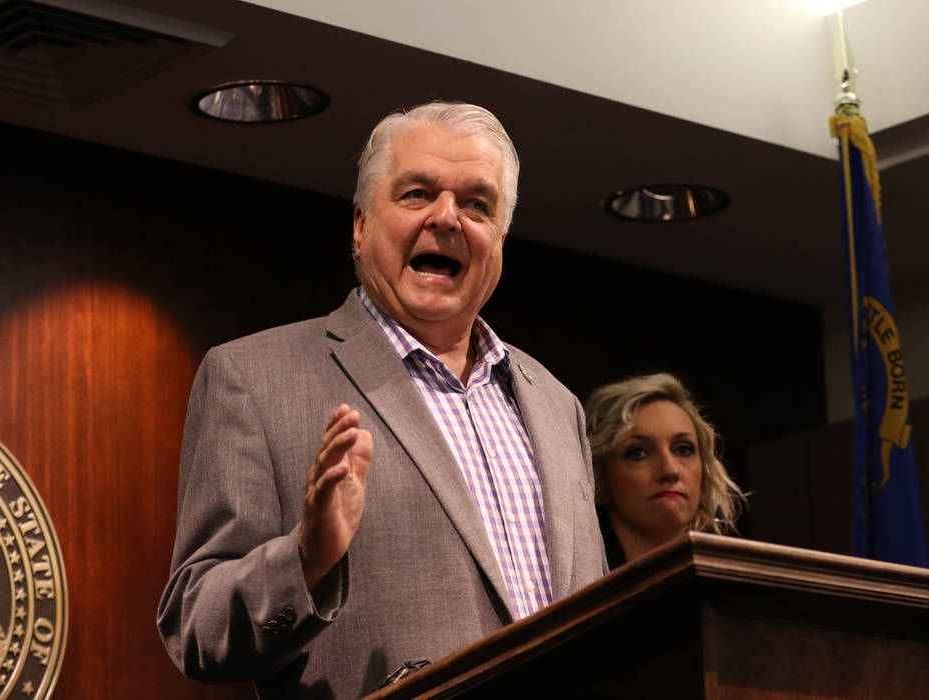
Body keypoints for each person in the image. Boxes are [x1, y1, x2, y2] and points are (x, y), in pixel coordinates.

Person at [157, 102, 606, 699]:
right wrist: (305, 559)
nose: (448, 218)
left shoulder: (557, 404)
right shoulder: (253, 377)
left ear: (499, 240)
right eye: (417, 194)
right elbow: (196, 626)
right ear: (361, 225)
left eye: (477, 204)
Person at [585, 373, 745, 568]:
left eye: (683, 449)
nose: (670, 470)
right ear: (599, 476)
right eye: (638, 453)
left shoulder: (725, 586)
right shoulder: (572, 583)